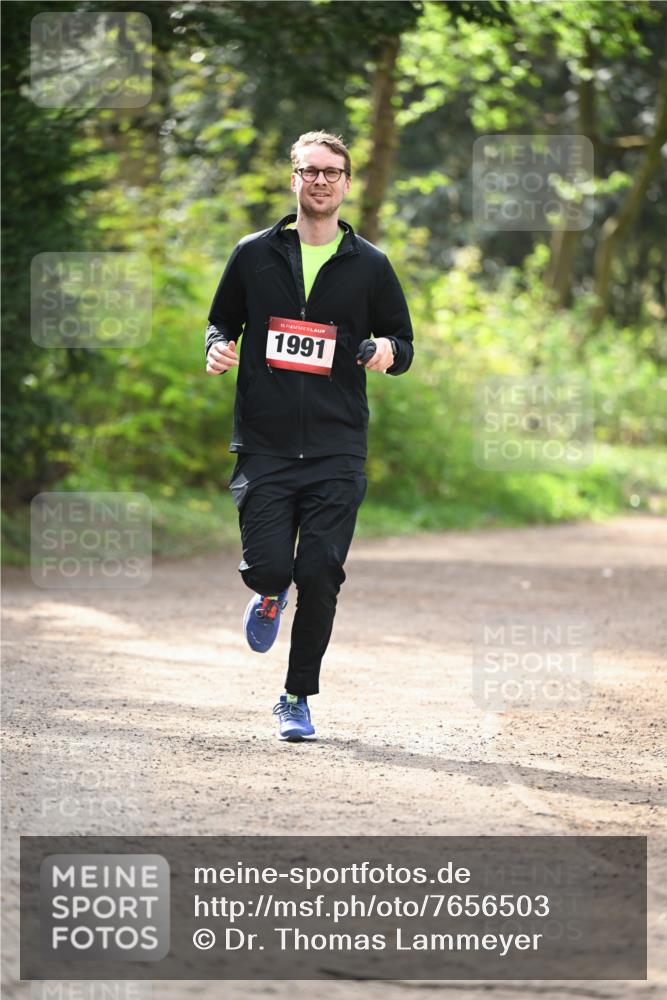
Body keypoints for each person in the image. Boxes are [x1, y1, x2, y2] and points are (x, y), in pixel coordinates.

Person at [205, 130, 413, 742]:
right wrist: (217, 345)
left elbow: (404, 345)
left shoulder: (370, 265)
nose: (320, 181)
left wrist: (384, 351)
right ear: (293, 178)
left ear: (347, 183)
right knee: (270, 567)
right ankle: (270, 593)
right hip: (265, 443)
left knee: (320, 571)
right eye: (309, 171)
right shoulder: (253, 253)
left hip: (336, 446)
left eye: (332, 172)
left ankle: (296, 696)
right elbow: (220, 319)